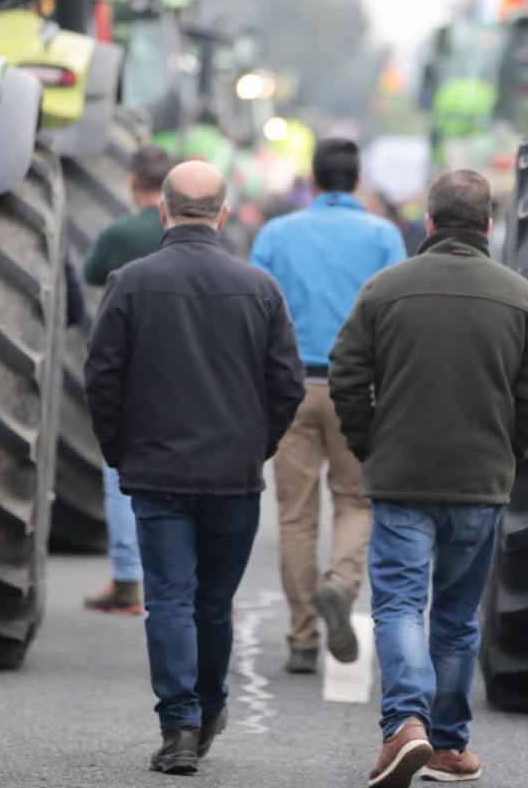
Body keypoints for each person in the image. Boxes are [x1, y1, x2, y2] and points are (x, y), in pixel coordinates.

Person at [329, 170, 528, 787]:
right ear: (488, 226)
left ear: (429, 222)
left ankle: (406, 723)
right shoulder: (521, 297)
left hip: (402, 478)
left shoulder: (386, 289)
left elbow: (347, 377)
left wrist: (368, 443)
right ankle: (449, 747)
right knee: (457, 619)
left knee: (401, 604)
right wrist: (506, 450)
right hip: (479, 485)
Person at [84, 161, 306, 775]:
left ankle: (179, 725)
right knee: (214, 602)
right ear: (223, 213)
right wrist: (255, 446)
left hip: (156, 473)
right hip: (233, 476)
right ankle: (209, 709)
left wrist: (120, 451)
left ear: (163, 211)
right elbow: (287, 384)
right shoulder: (260, 288)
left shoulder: (129, 283)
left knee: (170, 602)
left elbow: (101, 378)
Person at [249, 138, 406, 674]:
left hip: (291, 387)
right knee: (356, 501)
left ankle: (300, 638)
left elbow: (256, 310)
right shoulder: (383, 236)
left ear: (312, 182)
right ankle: (339, 583)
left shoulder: (276, 234)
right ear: (357, 181)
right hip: (357, 390)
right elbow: (396, 315)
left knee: (295, 515)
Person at [80, 145, 175, 616]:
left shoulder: (121, 233)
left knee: (120, 476)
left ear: (133, 181)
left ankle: (127, 581)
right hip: (184, 369)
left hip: (132, 366)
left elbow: (91, 272)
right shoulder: (185, 231)